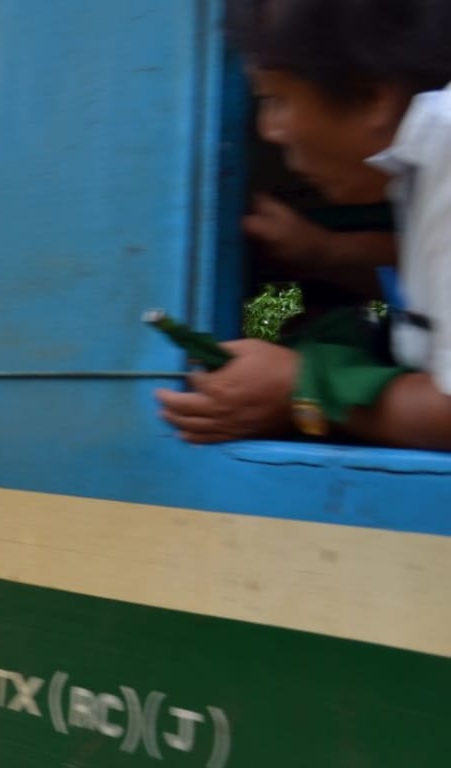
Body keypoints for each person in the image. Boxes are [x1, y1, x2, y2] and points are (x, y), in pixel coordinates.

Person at [157, 0, 451, 450]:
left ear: (373, 97)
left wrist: (301, 386)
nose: (269, 130)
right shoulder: (415, 165)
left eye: (276, 100)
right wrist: (325, 253)